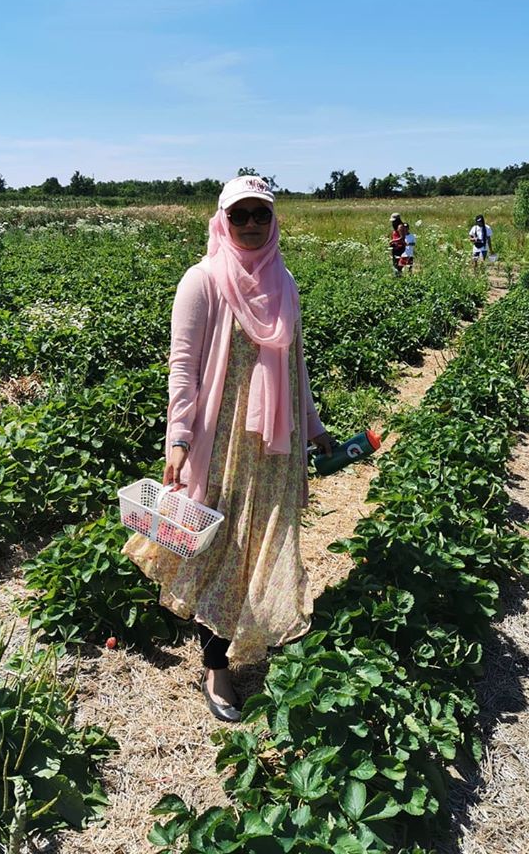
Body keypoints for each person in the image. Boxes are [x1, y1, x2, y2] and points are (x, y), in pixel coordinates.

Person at [123, 175, 333, 722]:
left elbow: (296, 368)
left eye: (260, 214)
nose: (250, 225)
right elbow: (183, 370)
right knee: (219, 549)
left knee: (267, 542)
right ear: (222, 218)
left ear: (274, 219)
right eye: (239, 215)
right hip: (221, 444)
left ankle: (253, 630)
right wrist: (178, 438)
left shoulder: (283, 281)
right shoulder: (203, 280)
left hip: (274, 447)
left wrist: (313, 427)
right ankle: (216, 668)